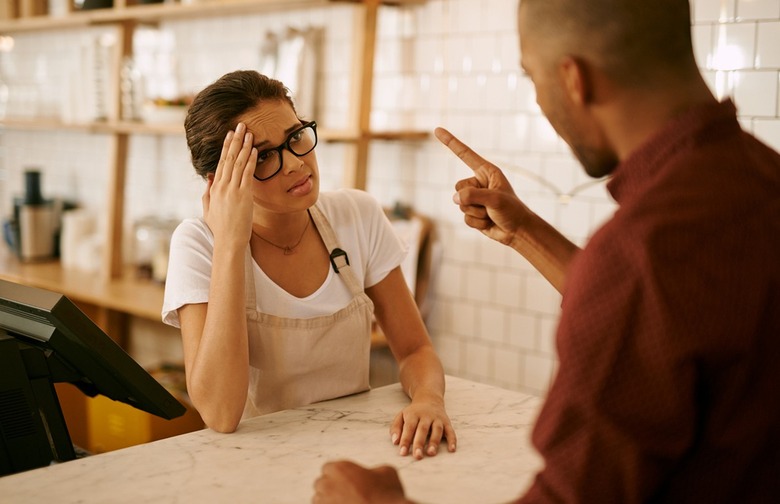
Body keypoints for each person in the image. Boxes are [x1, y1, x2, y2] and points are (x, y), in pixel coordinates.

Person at [312, 0, 780, 502]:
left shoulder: (641, 254)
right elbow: (676, 309)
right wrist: (523, 230)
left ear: (574, 79)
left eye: (533, 78)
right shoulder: (760, 176)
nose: (539, 100)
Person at [162, 70, 457, 461]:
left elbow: (415, 349)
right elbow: (219, 413)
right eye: (264, 156)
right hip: (247, 466)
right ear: (221, 181)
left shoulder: (358, 215)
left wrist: (429, 399)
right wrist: (231, 244)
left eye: (296, 137)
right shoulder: (198, 244)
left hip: (349, 456)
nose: (295, 164)